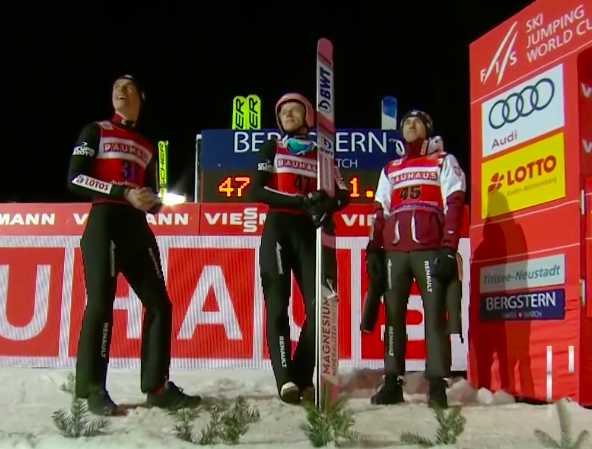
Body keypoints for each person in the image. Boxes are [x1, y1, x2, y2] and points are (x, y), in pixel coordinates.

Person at [67, 75, 201, 416]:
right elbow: (75, 178)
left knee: (160, 305)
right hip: (105, 223)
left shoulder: (147, 145)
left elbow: (149, 194)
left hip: (136, 228)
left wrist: (154, 202)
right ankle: (92, 388)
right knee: (101, 303)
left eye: (127, 87)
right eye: (115, 87)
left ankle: (157, 387)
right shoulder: (96, 130)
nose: (119, 90)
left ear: (141, 98)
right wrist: (122, 192)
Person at [250, 93, 350, 404]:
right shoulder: (273, 147)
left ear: (308, 116)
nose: (288, 115)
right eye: (283, 112)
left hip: (311, 233)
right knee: (278, 304)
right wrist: (300, 201)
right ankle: (285, 381)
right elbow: (256, 189)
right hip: (279, 230)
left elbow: (344, 193)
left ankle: (301, 374)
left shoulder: (322, 154)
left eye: (295, 110)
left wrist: (326, 204)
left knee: (322, 305)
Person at [365, 110, 466, 408]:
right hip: (395, 252)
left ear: (427, 129)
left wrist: (448, 246)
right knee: (393, 317)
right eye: (406, 122)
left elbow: (454, 202)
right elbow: (380, 209)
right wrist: (373, 247)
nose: (410, 125)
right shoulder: (391, 168)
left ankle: (437, 385)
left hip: (430, 249)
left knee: (435, 316)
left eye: (417, 122)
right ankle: (392, 382)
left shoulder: (442, 161)